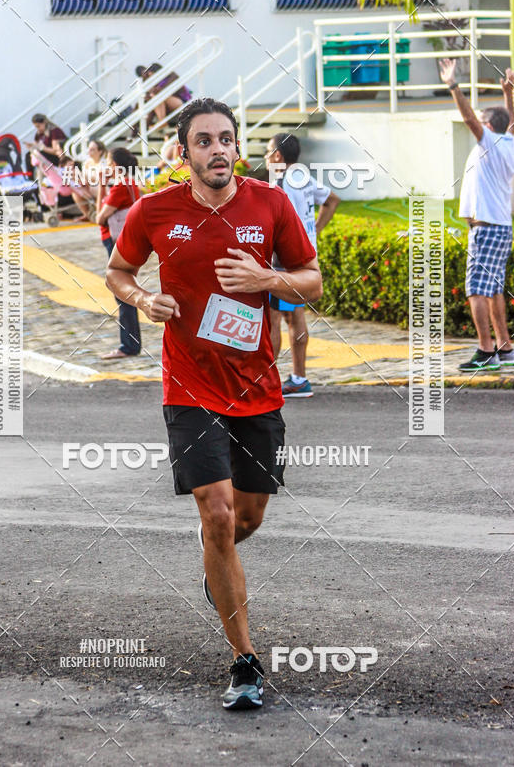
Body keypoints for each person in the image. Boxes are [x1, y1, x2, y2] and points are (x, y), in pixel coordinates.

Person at [106, 97, 322, 710]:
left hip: (256, 388)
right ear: (185, 152)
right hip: (188, 387)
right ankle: (244, 662)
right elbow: (118, 272)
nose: (219, 149)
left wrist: (268, 281)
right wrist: (143, 299)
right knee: (218, 516)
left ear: (238, 147)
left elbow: (312, 278)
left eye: (227, 138)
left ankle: (216, 570)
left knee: (247, 519)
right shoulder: (154, 211)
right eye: (204, 141)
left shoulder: (269, 204)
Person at [440, 58, 514, 371]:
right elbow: (510, 122)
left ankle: (486, 351)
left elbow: (471, 119)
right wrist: (508, 93)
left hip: (485, 229)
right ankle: (505, 347)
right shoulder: (510, 141)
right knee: (495, 289)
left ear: (487, 127)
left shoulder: (490, 143)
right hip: (501, 226)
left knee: (476, 290)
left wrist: (453, 85)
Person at [265, 133, 340, 397]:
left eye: (267, 151)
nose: (265, 156)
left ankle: (273, 381)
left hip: (285, 261)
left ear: (277, 156)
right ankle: (298, 377)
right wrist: (315, 231)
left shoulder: (281, 184)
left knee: (275, 318)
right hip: (305, 256)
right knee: (291, 316)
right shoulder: (303, 177)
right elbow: (332, 200)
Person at [96, 147, 142, 359]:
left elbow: (99, 217)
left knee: (122, 293)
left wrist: (99, 187)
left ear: (114, 165)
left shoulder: (119, 187)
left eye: (107, 162)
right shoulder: (130, 184)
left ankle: (128, 346)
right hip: (125, 240)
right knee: (125, 290)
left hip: (114, 242)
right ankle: (131, 344)